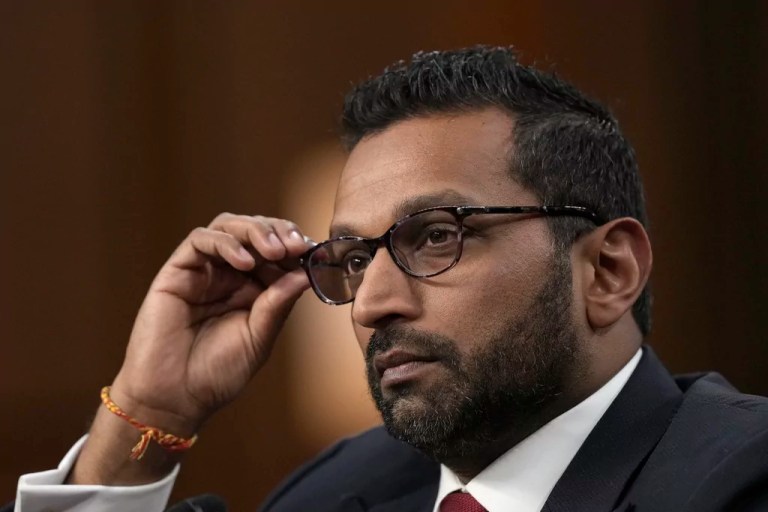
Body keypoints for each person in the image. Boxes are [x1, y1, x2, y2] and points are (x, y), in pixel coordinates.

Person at [8, 46, 768, 512]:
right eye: (355, 258)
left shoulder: (737, 480)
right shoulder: (335, 493)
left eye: (436, 237)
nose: (370, 303)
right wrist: (147, 410)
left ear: (608, 270)